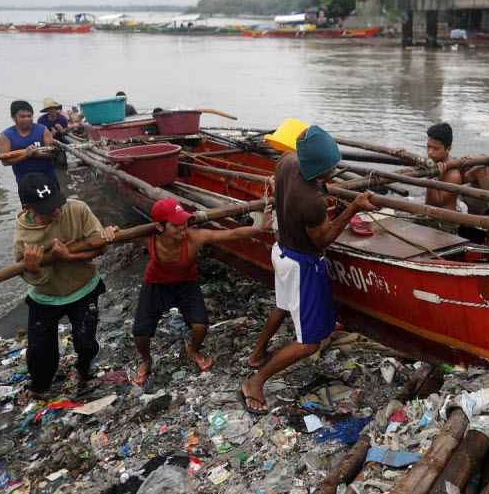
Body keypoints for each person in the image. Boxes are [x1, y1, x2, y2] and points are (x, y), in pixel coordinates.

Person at [242, 125, 377, 414]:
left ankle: (256, 355)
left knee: (283, 305)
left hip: (282, 251)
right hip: (302, 264)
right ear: (322, 169)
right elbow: (325, 240)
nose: (334, 170)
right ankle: (256, 381)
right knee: (309, 343)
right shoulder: (313, 203)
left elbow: (291, 185)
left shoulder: (288, 160)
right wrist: (352, 207)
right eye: (331, 168)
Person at [130, 198, 274, 384]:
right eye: (175, 224)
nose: (182, 227)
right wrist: (110, 230)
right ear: (159, 226)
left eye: (184, 221)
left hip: (186, 282)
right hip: (156, 283)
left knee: (200, 326)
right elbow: (109, 236)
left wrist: (260, 229)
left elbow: (233, 234)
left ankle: (193, 350)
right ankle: (147, 360)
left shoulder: (195, 236)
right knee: (140, 333)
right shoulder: (146, 237)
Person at [12, 173, 118, 396]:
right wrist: (33, 268)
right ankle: (39, 387)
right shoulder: (23, 237)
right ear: (28, 208)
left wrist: (68, 256)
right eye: (47, 212)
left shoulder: (77, 209)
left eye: (57, 206)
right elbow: (34, 279)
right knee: (40, 350)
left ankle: (84, 370)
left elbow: (99, 248)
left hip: (84, 287)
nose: (56, 213)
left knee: (86, 343)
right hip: (47, 296)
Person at [0, 100, 56, 184]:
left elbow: (52, 154)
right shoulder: (6, 135)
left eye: (29, 116)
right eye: (22, 117)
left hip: (48, 177)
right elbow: (5, 161)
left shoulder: (43, 130)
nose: (26, 119)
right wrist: (26, 156)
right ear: (13, 117)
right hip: (25, 182)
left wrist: (38, 154)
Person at [420, 122, 463, 232]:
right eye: (428, 147)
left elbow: (437, 202)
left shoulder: (453, 174)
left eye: (436, 149)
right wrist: (401, 152)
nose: (430, 152)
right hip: (429, 215)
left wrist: (432, 176)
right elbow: (413, 163)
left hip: (443, 222)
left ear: (448, 149)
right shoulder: (433, 162)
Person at [37, 97, 69, 169]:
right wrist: (50, 135)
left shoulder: (62, 119)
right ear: (47, 110)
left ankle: (63, 175)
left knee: (61, 161)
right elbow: (39, 136)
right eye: (50, 109)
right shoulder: (41, 120)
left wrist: (62, 131)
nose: (52, 110)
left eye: (54, 108)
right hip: (47, 143)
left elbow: (67, 135)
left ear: (56, 108)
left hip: (60, 142)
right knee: (49, 162)